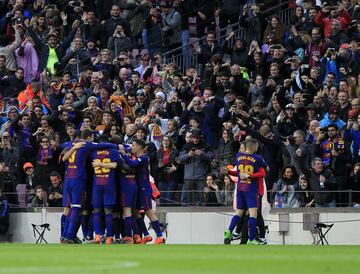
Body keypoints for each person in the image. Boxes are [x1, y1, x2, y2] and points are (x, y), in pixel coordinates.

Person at [60, 129, 119, 243]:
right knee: (77, 208)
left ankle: (66, 236)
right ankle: (68, 236)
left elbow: (63, 154)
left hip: (68, 179)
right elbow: (104, 145)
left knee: (71, 208)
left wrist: (73, 147)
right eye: (93, 137)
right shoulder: (87, 144)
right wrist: (117, 146)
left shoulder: (69, 144)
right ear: (89, 137)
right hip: (79, 179)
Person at [120, 138, 166, 244]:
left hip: (144, 188)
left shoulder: (144, 158)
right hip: (138, 188)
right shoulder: (138, 155)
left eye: (134, 145)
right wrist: (121, 146)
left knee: (148, 211)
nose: (132, 147)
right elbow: (127, 148)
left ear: (140, 147)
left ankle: (160, 236)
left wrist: (124, 155)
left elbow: (133, 164)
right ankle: (146, 235)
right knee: (135, 212)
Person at [224, 138, 267, 245]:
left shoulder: (238, 157)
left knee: (238, 212)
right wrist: (250, 175)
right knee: (253, 213)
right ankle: (251, 239)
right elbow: (263, 173)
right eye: (256, 146)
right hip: (251, 189)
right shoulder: (258, 158)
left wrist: (229, 171)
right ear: (253, 146)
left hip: (240, 188)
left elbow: (238, 173)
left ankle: (229, 231)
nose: (257, 148)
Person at [89, 136, 123, 244]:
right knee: (109, 211)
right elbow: (116, 165)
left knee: (96, 211)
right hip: (109, 183)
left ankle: (99, 235)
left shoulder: (92, 152)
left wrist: (99, 164)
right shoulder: (113, 151)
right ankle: (109, 237)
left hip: (97, 184)